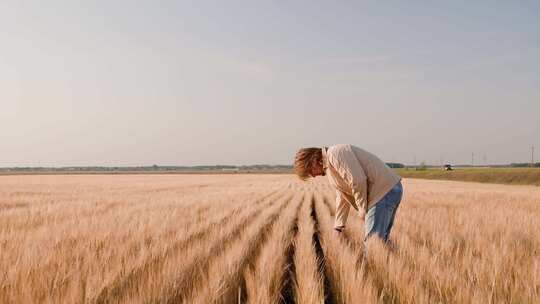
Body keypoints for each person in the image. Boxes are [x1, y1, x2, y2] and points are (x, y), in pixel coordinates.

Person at [293, 144, 403, 255]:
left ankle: (376, 268)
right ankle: (399, 259)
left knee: (372, 244)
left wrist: (361, 207)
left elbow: (357, 180)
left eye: (310, 171)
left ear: (313, 161)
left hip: (383, 192)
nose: (313, 176)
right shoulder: (331, 166)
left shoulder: (335, 154)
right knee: (380, 241)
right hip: (387, 191)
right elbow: (342, 195)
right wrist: (338, 226)